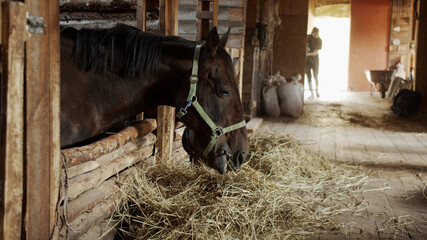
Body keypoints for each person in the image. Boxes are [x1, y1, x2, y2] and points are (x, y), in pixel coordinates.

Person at [306, 27, 322, 99]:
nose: (316, 35)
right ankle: (311, 93)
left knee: (315, 76)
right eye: (315, 33)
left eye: (317, 34)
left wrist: (307, 54)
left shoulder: (319, 41)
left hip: (315, 61)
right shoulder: (308, 38)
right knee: (309, 77)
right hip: (307, 62)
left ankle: (317, 91)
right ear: (312, 33)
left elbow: (315, 53)